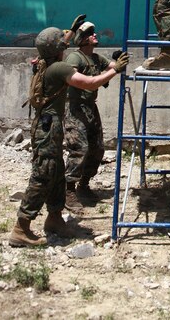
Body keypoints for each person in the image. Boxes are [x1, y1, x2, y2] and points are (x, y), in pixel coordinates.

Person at [9, 17, 129, 248]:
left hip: (47, 126)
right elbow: (90, 83)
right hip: (48, 128)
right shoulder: (60, 67)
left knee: (57, 174)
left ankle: (54, 219)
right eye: (62, 42)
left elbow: (58, 44)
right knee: (43, 175)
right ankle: (21, 227)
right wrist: (115, 70)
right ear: (58, 49)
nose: (65, 43)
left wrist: (72, 31)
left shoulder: (43, 61)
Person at [64, 21, 122, 212]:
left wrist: (120, 61)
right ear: (82, 39)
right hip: (76, 108)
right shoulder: (75, 57)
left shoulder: (96, 58)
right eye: (90, 33)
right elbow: (87, 83)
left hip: (90, 108)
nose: (95, 35)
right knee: (79, 148)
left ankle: (84, 185)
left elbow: (114, 65)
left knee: (97, 149)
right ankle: (68, 190)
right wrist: (115, 70)